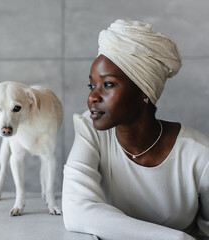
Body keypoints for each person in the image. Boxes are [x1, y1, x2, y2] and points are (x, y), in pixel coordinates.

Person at [62, 19, 209, 240]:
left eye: (108, 84)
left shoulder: (199, 155)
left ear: (144, 92)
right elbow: (76, 211)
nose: (92, 97)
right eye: (91, 85)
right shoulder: (90, 131)